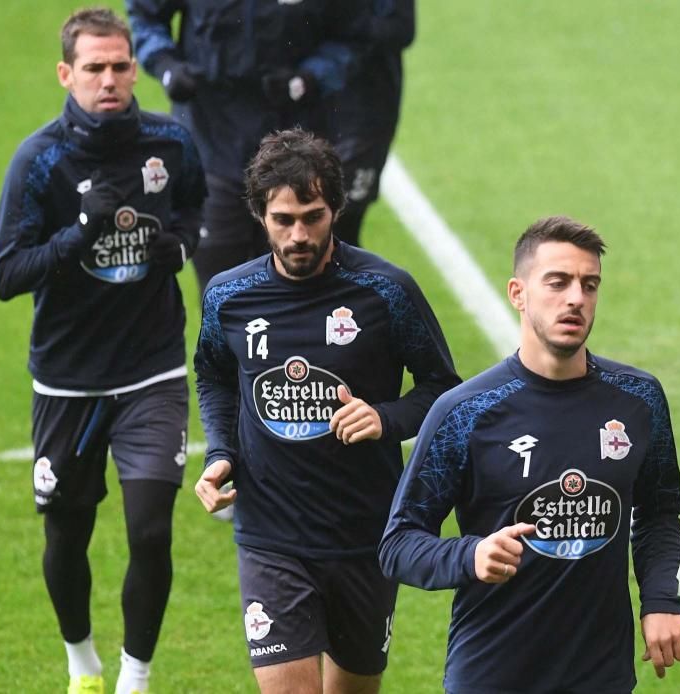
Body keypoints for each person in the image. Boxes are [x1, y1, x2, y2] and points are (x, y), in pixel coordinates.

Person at [379, 216, 680, 693]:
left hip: (599, 675)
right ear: (518, 293)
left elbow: (659, 511)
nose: (576, 298)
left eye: (590, 285)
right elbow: (398, 544)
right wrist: (472, 555)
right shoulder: (464, 413)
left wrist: (661, 599)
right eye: (558, 282)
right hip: (492, 673)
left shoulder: (638, 399)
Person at [193, 128, 460, 694]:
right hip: (271, 537)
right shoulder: (228, 297)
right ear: (259, 215)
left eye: (312, 216)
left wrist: (386, 419)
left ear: (336, 209)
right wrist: (221, 453)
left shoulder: (385, 292)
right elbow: (214, 374)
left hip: (364, 535)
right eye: (283, 219)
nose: (298, 235)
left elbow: (442, 388)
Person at [0, 8, 205, 694]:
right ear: (66, 74)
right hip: (68, 381)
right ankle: (82, 662)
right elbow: (4, 275)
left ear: (134, 69)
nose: (109, 80)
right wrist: (77, 235)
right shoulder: (40, 160)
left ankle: (134, 678)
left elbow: (198, 210)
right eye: (94, 68)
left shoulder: (170, 144)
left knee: (149, 532)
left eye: (119, 66)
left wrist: (184, 244)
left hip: (153, 371)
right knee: (67, 536)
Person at [125, 0, 362, 299]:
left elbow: (354, 32)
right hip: (211, 145)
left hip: (295, 155)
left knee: (301, 293)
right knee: (222, 295)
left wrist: (308, 79)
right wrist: (166, 65)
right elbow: (146, 14)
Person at [329, 0, 415, 247]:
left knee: (341, 226)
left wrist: (330, 18)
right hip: (292, 105)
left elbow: (399, 27)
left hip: (361, 113)